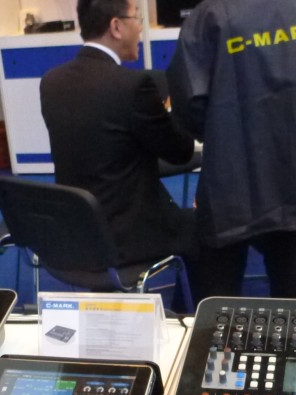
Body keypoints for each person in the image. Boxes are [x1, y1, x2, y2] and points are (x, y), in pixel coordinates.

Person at [167, 0, 296, 299]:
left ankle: (222, 329)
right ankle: (288, 328)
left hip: (231, 173)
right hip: (293, 170)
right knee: (289, 274)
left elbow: (189, 97)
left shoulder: (210, 14)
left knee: (221, 288)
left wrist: (219, 133)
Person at [39, 0, 197, 279]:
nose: (140, 29)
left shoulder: (51, 82)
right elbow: (181, 152)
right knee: (211, 229)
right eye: (136, 19)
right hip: (128, 238)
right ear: (116, 27)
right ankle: (190, 304)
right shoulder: (132, 87)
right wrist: (176, 112)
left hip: (75, 234)